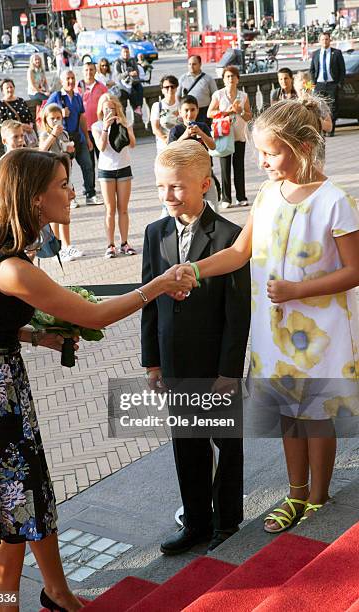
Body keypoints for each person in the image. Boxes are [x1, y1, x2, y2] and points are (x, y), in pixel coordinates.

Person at [0, 147, 194, 612]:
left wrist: (36, 337)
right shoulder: (14, 268)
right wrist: (157, 286)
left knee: (29, 497)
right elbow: (95, 313)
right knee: (15, 505)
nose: (71, 190)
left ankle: (56, 594)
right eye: (62, 184)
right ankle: (9, 605)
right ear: (35, 198)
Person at [175, 97, 359, 533]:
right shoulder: (266, 194)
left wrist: (298, 289)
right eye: (258, 152)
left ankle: (318, 496)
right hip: (274, 332)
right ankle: (295, 493)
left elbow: (354, 270)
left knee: (316, 413)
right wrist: (196, 269)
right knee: (288, 414)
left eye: (270, 152)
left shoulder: (335, 201)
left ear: (303, 146)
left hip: (319, 334)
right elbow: (240, 252)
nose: (260, 162)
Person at [142, 140, 250, 554]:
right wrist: (152, 362)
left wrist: (228, 372)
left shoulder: (229, 237)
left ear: (204, 184)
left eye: (177, 187)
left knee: (225, 442)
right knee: (186, 443)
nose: (167, 196)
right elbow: (148, 300)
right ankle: (197, 522)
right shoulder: (155, 233)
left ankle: (227, 521)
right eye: (160, 187)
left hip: (214, 362)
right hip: (174, 361)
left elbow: (237, 314)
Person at [46, 69, 102, 205]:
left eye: (72, 78)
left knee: (88, 165)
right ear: (62, 81)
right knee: (65, 170)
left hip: (79, 137)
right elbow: (45, 114)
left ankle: (90, 194)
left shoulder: (77, 97)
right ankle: (69, 197)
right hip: (63, 139)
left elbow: (82, 118)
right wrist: (60, 112)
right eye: (67, 79)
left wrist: (88, 138)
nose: (70, 81)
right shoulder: (56, 96)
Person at [92, 93, 136, 259]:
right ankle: (110, 245)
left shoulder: (125, 122)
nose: (109, 111)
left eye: (112, 108)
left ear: (117, 108)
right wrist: (105, 127)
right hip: (106, 170)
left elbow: (132, 144)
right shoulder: (97, 126)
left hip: (124, 167)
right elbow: (101, 147)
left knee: (123, 209)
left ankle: (124, 242)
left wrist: (123, 126)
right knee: (110, 209)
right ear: (101, 111)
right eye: (106, 109)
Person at [39, 103, 84, 263]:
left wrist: (70, 152)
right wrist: (53, 135)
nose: (56, 121)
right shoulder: (45, 135)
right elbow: (41, 151)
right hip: (52, 182)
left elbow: (66, 154)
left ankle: (67, 245)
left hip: (66, 178)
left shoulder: (64, 133)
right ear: (46, 120)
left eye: (59, 118)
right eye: (53, 119)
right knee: (55, 215)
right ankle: (58, 247)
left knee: (65, 213)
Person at [207, 65, 252, 208]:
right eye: (227, 76)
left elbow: (249, 116)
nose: (230, 79)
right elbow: (210, 113)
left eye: (233, 76)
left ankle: (241, 196)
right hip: (224, 134)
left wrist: (240, 112)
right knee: (225, 166)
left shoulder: (243, 96)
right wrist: (227, 111)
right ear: (224, 80)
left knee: (239, 166)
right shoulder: (218, 95)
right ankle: (226, 198)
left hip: (239, 134)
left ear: (238, 79)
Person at [168, 95, 219, 212]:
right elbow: (170, 150)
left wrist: (201, 133)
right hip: (185, 175)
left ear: (197, 110)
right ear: (180, 112)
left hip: (205, 172)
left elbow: (213, 146)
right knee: (188, 206)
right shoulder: (176, 130)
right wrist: (185, 136)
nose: (189, 113)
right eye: (186, 110)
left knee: (213, 204)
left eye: (192, 110)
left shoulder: (202, 127)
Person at [310, 31, 346, 137]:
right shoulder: (315, 54)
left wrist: (339, 84)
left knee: (332, 107)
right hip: (319, 84)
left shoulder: (337, 53)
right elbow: (312, 69)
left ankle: (331, 129)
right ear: (319, 41)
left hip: (332, 84)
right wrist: (313, 83)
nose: (325, 41)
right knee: (318, 107)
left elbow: (342, 70)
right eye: (322, 39)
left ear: (330, 40)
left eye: (326, 39)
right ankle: (322, 129)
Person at [77, 62, 108, 174]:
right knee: (89, 163)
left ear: (95, 71)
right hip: (84, 129)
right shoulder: (77, 88)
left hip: (99, 128)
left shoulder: (102, 87)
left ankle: (106, 183)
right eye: (86, 70)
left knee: (103, 158)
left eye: (91, 69)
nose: (89, 72)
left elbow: (108, 105)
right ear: (82, 72)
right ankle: (90, 189)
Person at [0, 79, 36, 146]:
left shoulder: (20, 100)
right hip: (13, 138)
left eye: (11, 87)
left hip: (27, 134)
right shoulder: (1, 104)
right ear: (2, 91)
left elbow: (29, 115)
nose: (10, 89)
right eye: (7, 88)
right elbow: (3, 124)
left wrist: (30, 127)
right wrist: (21, 126)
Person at [177, 55, 217, 124]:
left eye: (194, 64)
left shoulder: (208, 79)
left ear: (200, 64)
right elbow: (177, 96)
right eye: (189, 64)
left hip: (204, 112)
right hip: (188, 112)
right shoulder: (183, 78)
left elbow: (215, 96)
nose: (191, 66)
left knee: (204, 132)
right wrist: (180, 111)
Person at [150, 75, 180, 153]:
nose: (170, 89)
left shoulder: (182, 104)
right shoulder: (157, 106)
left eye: (172, 87)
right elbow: (155, 129)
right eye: (166, 87)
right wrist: (167, 140)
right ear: (162, 90)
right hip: (164, 146)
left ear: (176, 88)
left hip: (181, 145)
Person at [113, 45, 144, 114]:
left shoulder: (132, 60)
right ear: (121, 53)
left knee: (140, 88)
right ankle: (135, 108)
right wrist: (128, 73)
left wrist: (135, 73)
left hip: (133, 81)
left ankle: (139, 107)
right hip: (123, 83)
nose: (126, 54)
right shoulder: (117, 62)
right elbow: (117, 76)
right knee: (131, 91)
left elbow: (137, 71)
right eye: (124, 52)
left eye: (127, 52)